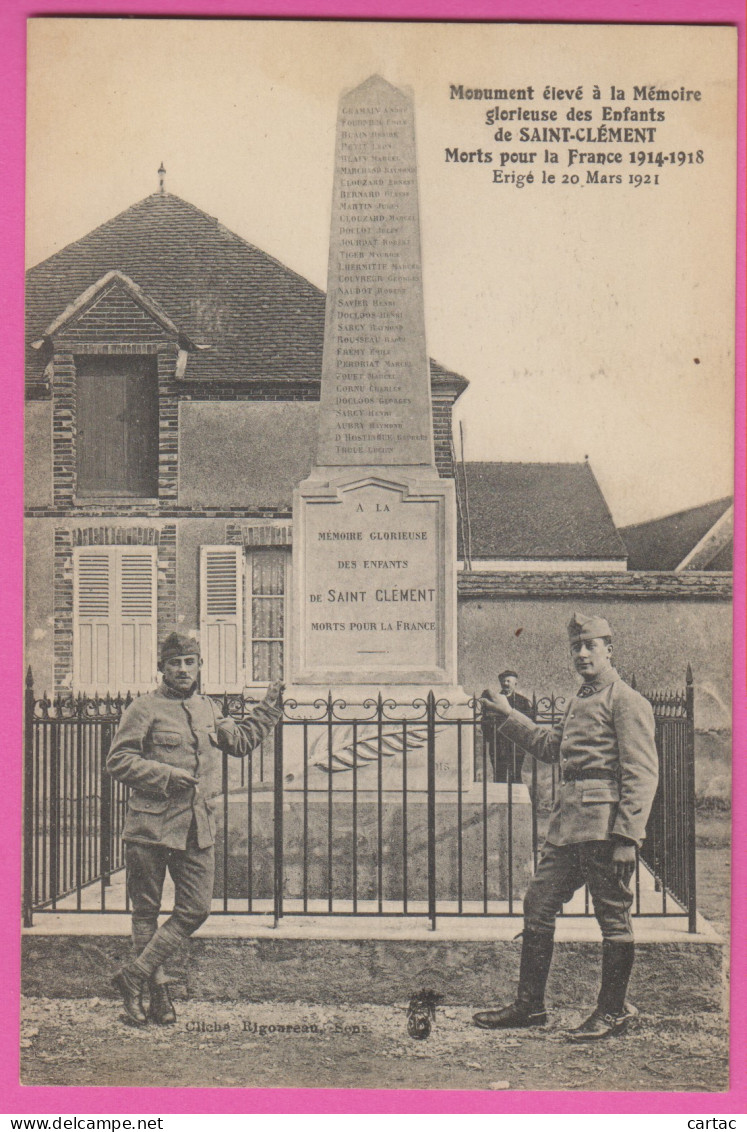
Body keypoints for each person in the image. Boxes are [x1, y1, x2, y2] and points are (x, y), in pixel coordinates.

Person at [473, 612, 659, 1041]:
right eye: (575, 647)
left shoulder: (625, 700)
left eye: (590, 645)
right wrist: (506, 716)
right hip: (566, 828)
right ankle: (529, 1006)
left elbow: (641, 773)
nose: (581, 653)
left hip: (605, 830)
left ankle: (612, 1011)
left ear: (609, 649)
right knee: (538, 905)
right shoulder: (580, 700)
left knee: (612, 918)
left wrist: (628, 837)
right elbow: (550, 746)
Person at [106, 632, 283, 1026]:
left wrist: (269, 708)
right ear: (162, 668)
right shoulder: (143, 708)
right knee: (145, 912)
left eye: (190, 662)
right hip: (148, 828)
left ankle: (131, 977)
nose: (183, 670)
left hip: (195, 828)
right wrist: (165, 774)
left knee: (195, 909)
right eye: (175, 663)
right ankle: (158, 996)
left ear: (199, 665)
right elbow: (118, 761)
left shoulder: (207, 708)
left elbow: (239, 742)